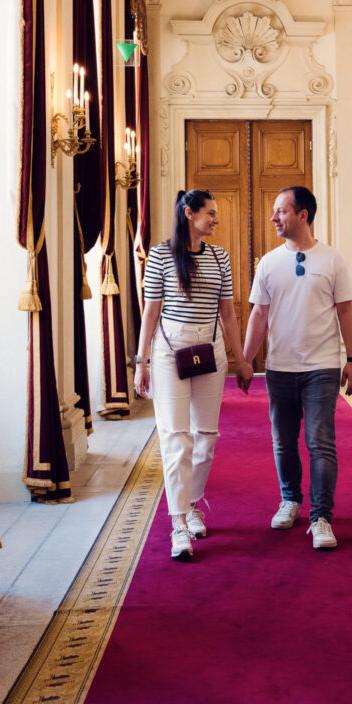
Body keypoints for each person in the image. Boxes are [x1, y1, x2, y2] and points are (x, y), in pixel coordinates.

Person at [240, 186, 352, 551]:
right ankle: (290, 500)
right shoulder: (268, 262)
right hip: (280, 367)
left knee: (320, 441)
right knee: (283, 441)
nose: (275, 217)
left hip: (321, 367)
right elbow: (258, 314)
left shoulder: (332, 260)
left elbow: (345, 311)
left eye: (281, 211)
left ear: (302, 215)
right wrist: (246, 361)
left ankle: (321, 516)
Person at [135, 190, 253, 561]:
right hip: (170, 350)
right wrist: (141, 362)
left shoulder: (219, 256)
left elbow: (229, 313)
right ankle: (179, 524)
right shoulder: (160, 254)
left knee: (206, 437)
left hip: (210, 348)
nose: (216, 219)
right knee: (176, 438)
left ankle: (193, 503)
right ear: (190, 214)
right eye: (211, 213)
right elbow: (151, 312)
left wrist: (242, 359)